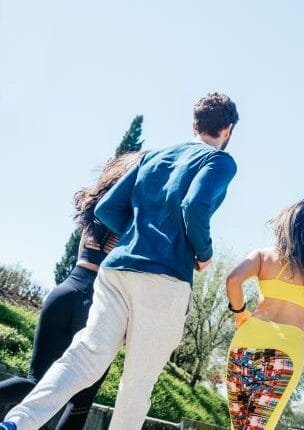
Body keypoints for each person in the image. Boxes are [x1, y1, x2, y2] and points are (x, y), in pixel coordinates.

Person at [1, 92, 240, 430]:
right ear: (228, 129)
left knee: (84, 356)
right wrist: (203, 253)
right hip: (164, 280)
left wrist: (138, 235)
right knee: (136, 384)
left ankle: (17, 423)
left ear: (194, 125)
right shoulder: (219, 162)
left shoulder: (153, 156)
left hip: (117, 272)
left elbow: (107, 209)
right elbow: (194, 207)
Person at [0, 152, 144, 429]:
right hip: (99, 303)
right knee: (80, 400)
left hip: (64, 292)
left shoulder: (96, 208)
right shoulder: (135, 219)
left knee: (36, 382)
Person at [224, 198, 304, 430]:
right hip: (286, 350)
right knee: (258, 427)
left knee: (239, 425)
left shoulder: (263, 256)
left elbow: (233, 280)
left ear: (288, 224)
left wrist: (240, 313)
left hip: (245, 342)